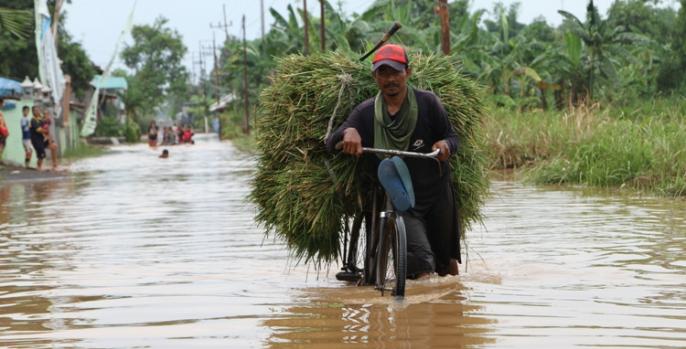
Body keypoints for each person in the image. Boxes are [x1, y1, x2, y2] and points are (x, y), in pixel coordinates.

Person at [326, 44, 460, 278]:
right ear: (374, 76)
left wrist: (445, 146)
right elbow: (331, 142)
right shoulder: (366, 112)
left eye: (396, 72)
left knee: (447, 262)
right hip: (401, 195)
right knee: (420, 260)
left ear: (408, 72)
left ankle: (452, 302)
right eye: (383, 73)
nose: (390, 79)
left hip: (435, 190)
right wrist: (348, 133)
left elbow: (451, 136)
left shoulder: (428, 103)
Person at [29, 105, 48, 170]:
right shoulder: (33, 120)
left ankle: (55, 165)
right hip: (36, 140)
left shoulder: (41, 119)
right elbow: (38, 130)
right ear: (33, 112)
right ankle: (39, 167)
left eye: (38, 110)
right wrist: (46, 131)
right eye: (36, 110)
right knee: (41, 155)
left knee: (54, 146)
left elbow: (46, 124)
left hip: (42, 138)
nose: (38, 111)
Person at [0, 98, 8, 164]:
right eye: (3, 103)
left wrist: (6, 130)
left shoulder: (1, 113)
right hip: (1, 132)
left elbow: (3, 122)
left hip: (2, 132)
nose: (3, 104)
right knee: (1, 146)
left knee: (2, 146)